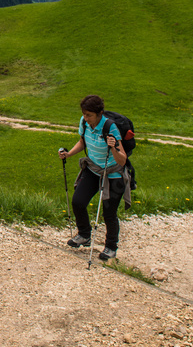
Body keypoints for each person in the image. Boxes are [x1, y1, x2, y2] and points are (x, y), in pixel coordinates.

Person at [57, 94, 132, 261]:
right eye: (84, 114)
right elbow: (83, 142)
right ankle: (84, 235)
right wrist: (68, 154)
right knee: (78, 201)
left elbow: (122, 159)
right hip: (92, 168)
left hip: (113, 173)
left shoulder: (110, 127)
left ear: (99, 113)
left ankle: (111, 246)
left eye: (89, 115)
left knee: (109, 212)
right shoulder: (84, 123)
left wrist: (113, 148)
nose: (86, 118)